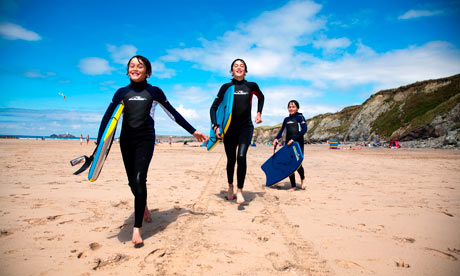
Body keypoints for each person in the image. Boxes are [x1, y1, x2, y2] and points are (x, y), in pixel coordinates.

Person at [96, 55, 207, 246]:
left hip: (145, 140)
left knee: (139, 179)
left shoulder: (154, 91)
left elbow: (173, 114)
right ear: (127, 70)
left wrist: (193, 131)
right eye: (132, 66)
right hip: (126, 141)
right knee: (132, 182)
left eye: (140, 66)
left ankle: (137, 229)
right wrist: (99, 145)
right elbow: (107, 119)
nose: (135, 69)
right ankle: (143, 204)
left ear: (147, 71)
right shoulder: (121, 93)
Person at [210, 58, 264, 204]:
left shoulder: (251, 86)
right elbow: (213, 107)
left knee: (241, 157)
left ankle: (239, 190)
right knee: (231, 160)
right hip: (229, 129)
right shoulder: (226, 87)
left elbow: (261, 97)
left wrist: (259, 113)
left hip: (246, 127)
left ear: (245, 70)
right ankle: (230, 186)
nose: (239, 68)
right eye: (236, 66)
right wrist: (216, 126)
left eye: (241, 66)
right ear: (232, 70)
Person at [273, 100, 307, 191]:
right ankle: (293, 186)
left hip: (297, 144)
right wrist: (276, 138)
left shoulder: (300, 117)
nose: (291, 108)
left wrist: (294, 139)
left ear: (297, 108)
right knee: (288, 164)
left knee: (298, 163)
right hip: (288, 144)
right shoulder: (286, 119)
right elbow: (282, 131)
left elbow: (304, 130)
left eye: (293, 107)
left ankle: (302, 179)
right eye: (290, 107)